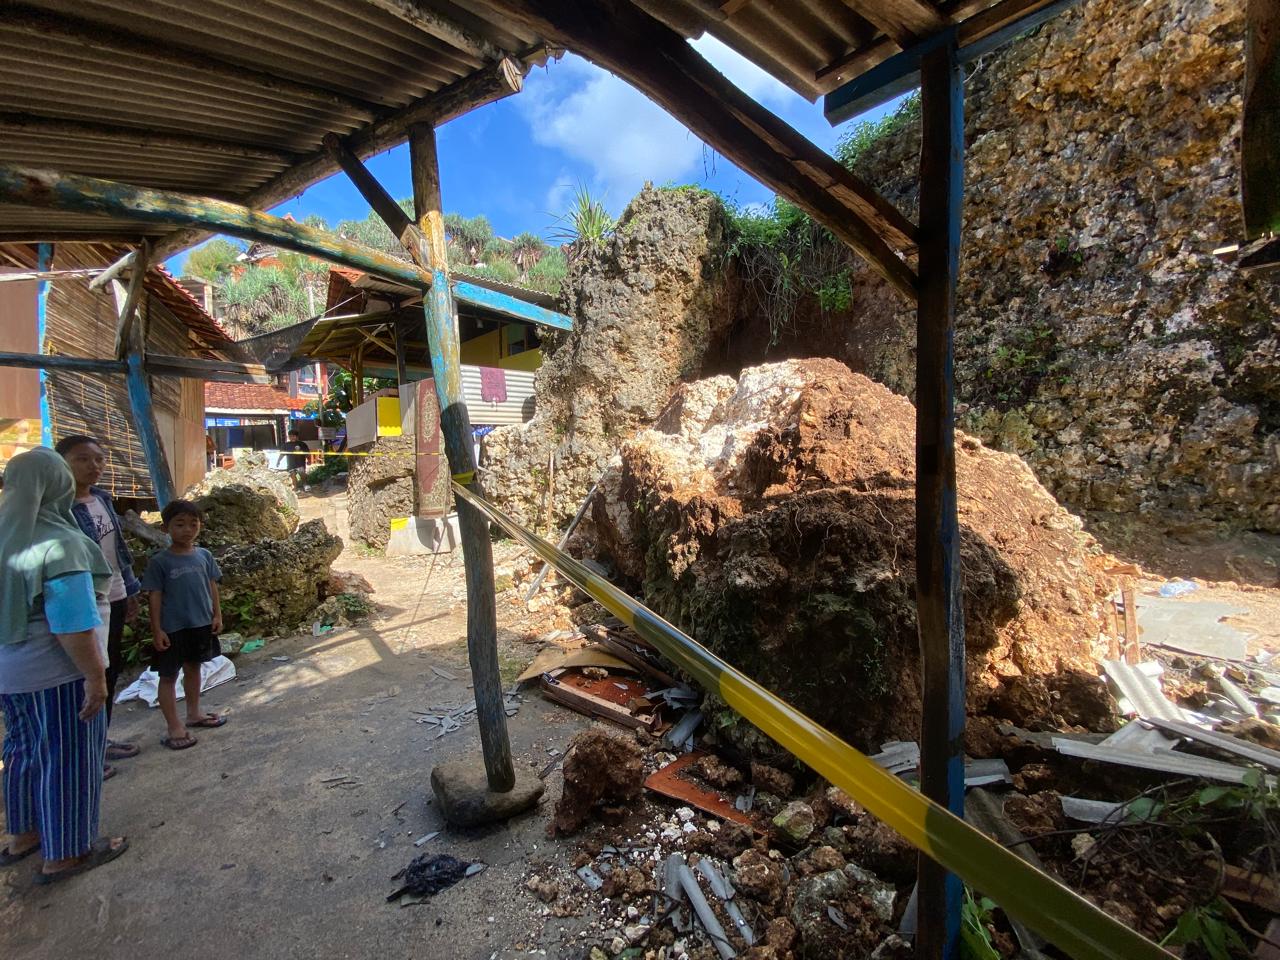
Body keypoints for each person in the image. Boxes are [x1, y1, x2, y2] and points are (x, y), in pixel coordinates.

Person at [0, 447, 129, 882]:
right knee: (69, 756)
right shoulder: (60, 541)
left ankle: (24, 834)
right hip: (57, 672)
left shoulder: (5, 535)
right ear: (57, 484)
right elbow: (71, 623)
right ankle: (67, 851)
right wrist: (95, 675)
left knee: (22, 750)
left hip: (9, 671)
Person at [57, 434, 143, 778]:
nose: (94, 466)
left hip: (116, 593)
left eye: (99, 460)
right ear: (61, 464)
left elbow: (117, 552)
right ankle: (85, 752)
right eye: (82, 459)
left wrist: (130, 589)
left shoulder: (102, 500)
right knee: (88, 673)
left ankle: (99, 740)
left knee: (110, 668)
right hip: (87, 600)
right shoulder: (59, 510)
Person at [141, 500, 225, 750]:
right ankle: (174, 725)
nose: (187, 530)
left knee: (194, 668)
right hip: (172, 629)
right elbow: (154, 596)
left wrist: (217, 615)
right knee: (168, 676)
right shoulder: (160, 562)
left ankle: (194, 713)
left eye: (193, 524)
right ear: (166, 528)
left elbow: (212, 586)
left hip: (200, 623)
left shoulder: (204, 556)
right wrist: (157, 629)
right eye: (179, 524)